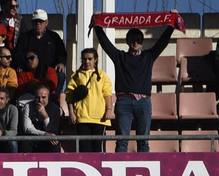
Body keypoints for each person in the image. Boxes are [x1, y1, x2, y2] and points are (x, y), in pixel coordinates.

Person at [93, 23, 176, 152]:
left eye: (138, 40)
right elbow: (105, 43)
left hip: (143, 102)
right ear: (127, 41)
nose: (135, 42)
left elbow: (162, 42)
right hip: (123, 101)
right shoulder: (119, 56)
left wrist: (171, 25)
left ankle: (144, 164)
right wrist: (97, 25)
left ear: (142, 42)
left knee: (143, 141)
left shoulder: (148, 56)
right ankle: (120, 165)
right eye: (132, 40)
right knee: (121, 141)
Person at [64, 48, 114, 152]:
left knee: (98, 147)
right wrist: (71, 112)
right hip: (82, 117)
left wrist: (109, 110)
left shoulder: (102, 75)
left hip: (99, 117)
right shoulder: (76, 75)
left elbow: (107, 94)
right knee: (83, 147)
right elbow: (69, 95)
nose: (87, 61)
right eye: (84, 59)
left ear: (95, 59)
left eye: (90, 59)